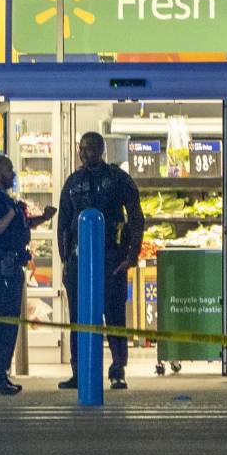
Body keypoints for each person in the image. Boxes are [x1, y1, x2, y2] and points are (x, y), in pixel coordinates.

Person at [56, 132, 145, 390]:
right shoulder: (73, 182)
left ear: (102, 150)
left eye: (91, 148)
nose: (85, 153)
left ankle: (118, 370)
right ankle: (79, 371)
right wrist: (65, 262)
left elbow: (137, 218)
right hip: (78, 261)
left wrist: (131, 256)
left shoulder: (118, 179)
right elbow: (63, 225)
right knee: (79, 318)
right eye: (82, 149)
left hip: (111, 257)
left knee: (114, 317)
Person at [0, 153, 56, 395]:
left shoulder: (4, 199)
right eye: (9, 170)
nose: (13, 175)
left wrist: (41, 218)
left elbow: (18, 226)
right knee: (5, 323)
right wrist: (12, 211)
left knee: (9, 323)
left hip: (12, 267)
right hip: (1, 270)